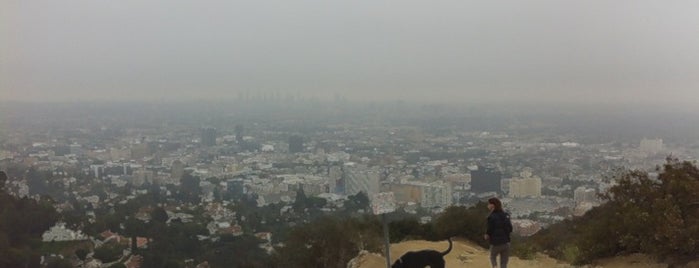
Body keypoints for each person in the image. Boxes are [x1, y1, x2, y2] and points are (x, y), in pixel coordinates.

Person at [484, 197, 512, 268]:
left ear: (493, 205)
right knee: (504, 263)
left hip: (495, 243)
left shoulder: (491, 216)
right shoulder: (506, 215)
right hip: (506, 243)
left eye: (489, 204)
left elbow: (490, 229)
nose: (488, 205)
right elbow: (510, 228)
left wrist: (487, 235)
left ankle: (495, 267)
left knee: (493, 257)